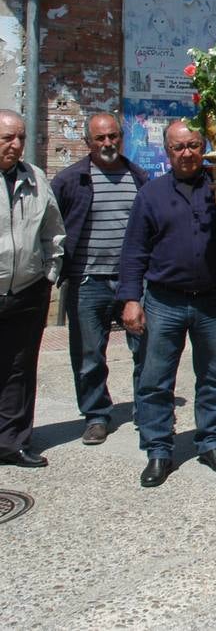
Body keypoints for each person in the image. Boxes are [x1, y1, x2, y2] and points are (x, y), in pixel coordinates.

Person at [118, 120, 216, 488]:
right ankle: (158, 449)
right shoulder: (151, 194)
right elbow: (134, 251)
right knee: (155, 379)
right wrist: (129, 300)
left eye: (194, 145)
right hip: (164, 301)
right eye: (178, 147)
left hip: (212, 302)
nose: (187, 153)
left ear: (204, 147)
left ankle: (211, 441)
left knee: (214, 376)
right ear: (167, 152)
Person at [52, 112, 149, 444]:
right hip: (87, 281)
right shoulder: (69, 181)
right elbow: (55, 229)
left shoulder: (139, 177)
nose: (108, 143)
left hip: (132, 282)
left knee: (144, 349)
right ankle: (96, 415)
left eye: (113, 137)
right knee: (89, 354)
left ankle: (146, 409)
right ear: (87, 143)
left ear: (121, 137)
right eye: (100, 138)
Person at [0, 110, 65, 468]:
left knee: (20, 371)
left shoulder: (36, 179)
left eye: (21, 137)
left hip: (26, 290)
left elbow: (53, 231)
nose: (16, 145)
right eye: (8, 138)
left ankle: (13, 441)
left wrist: (48, 275)